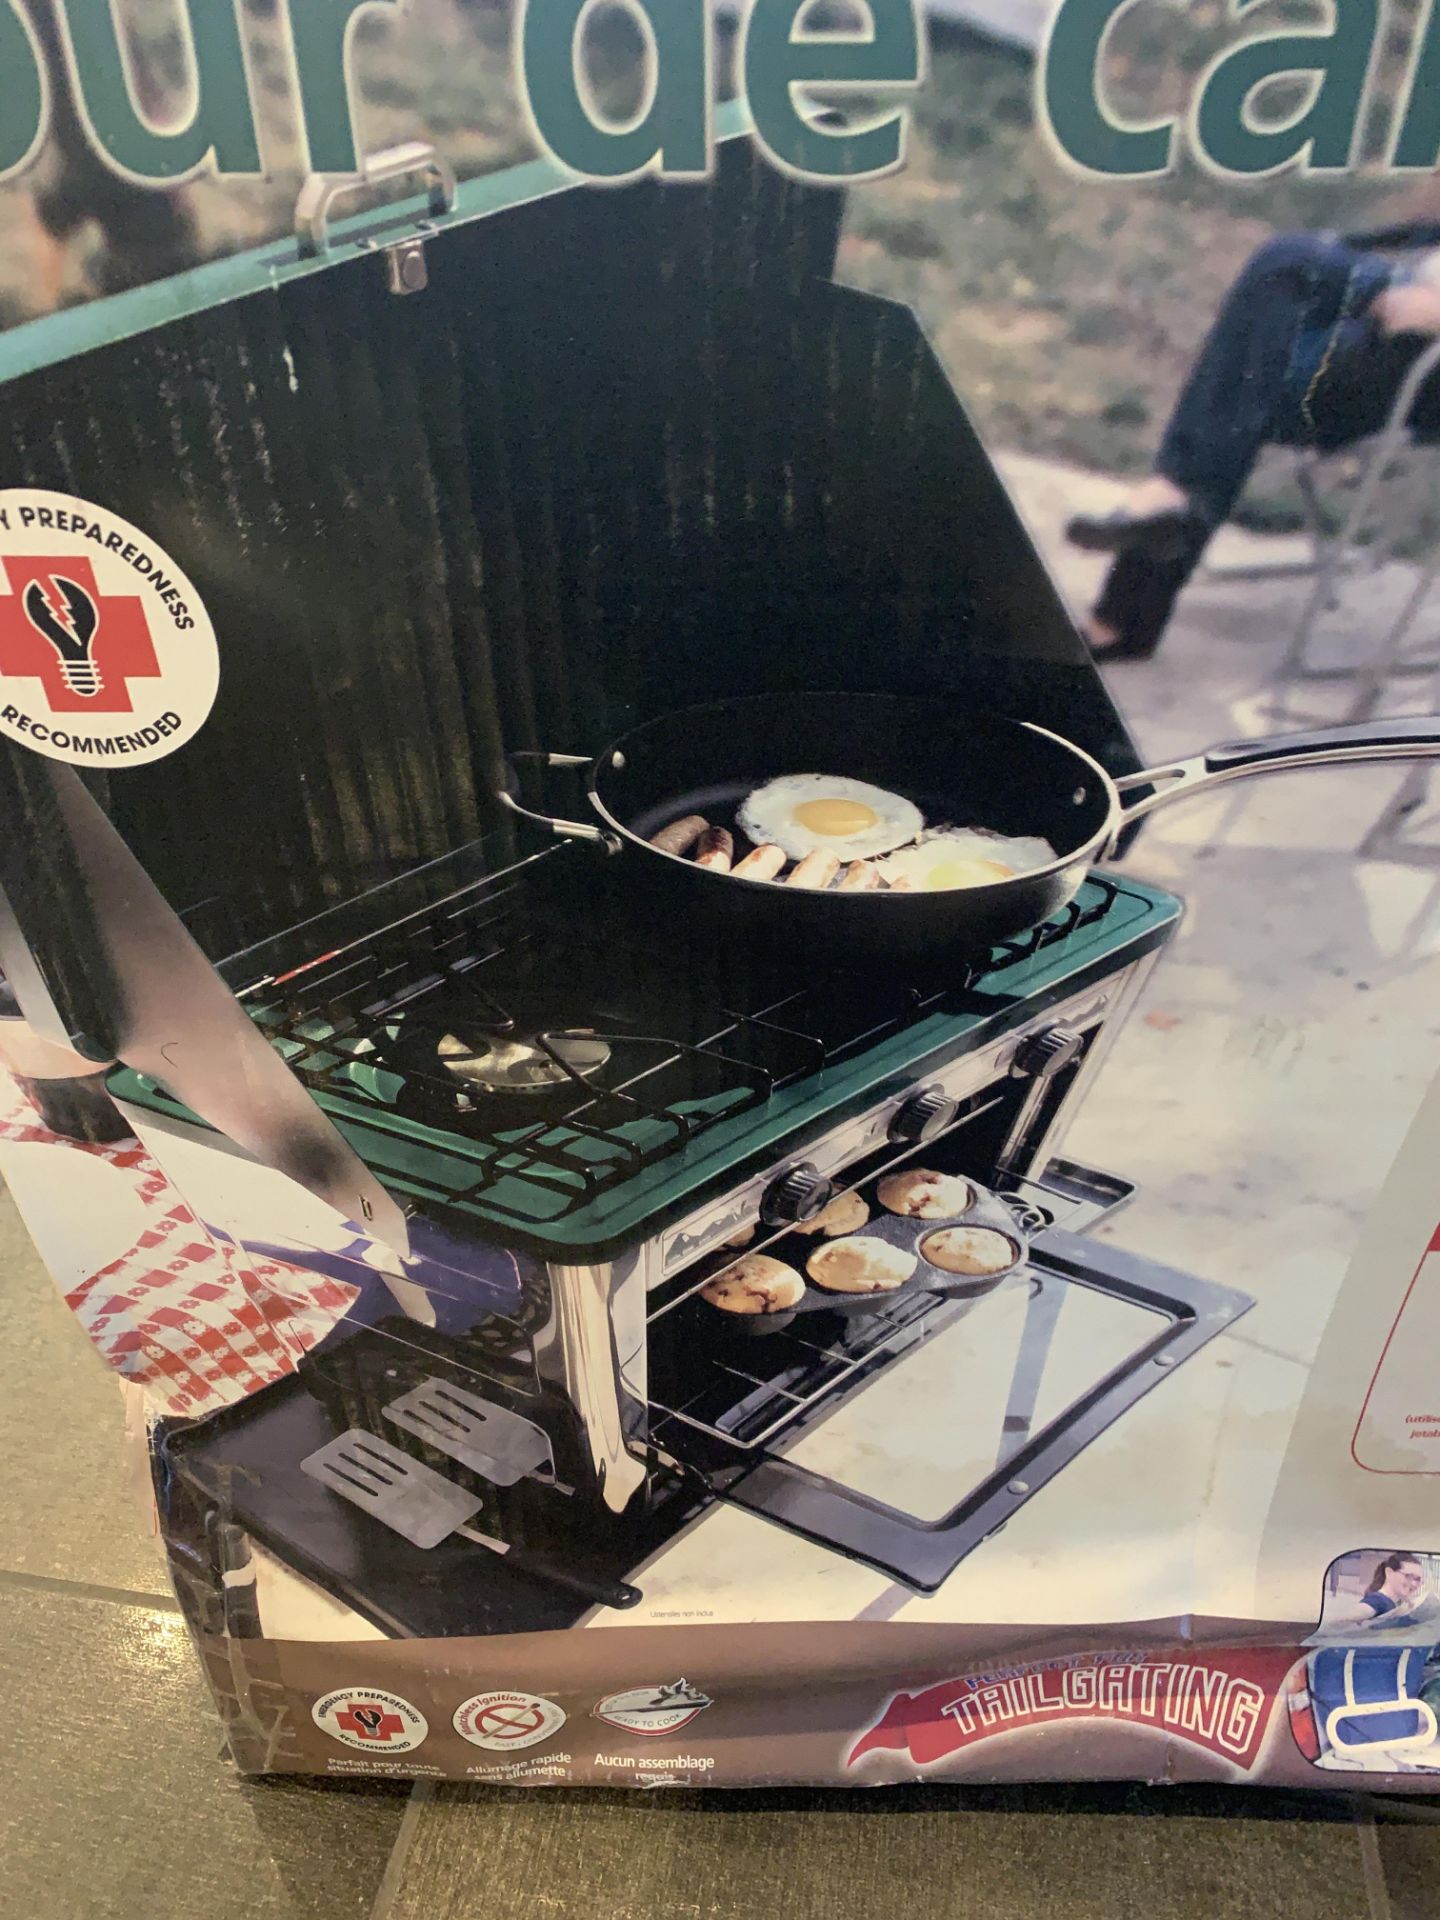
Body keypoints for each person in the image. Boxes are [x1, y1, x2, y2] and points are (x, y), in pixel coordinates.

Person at [1066, 229, 1440, 661]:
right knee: (1254, 364)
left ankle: (1130, 601)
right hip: (1387, 331)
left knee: (1285, 271)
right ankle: (1136, 593)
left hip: (1417, 374)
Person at [1328, 1552, 1427, 1628]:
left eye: (1418, 1580)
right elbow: (1342, 1619)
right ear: (1389, 1573)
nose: (1414, 1584)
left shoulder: (1391, 1603)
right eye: (1408, 1576)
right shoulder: (1378, 1601)